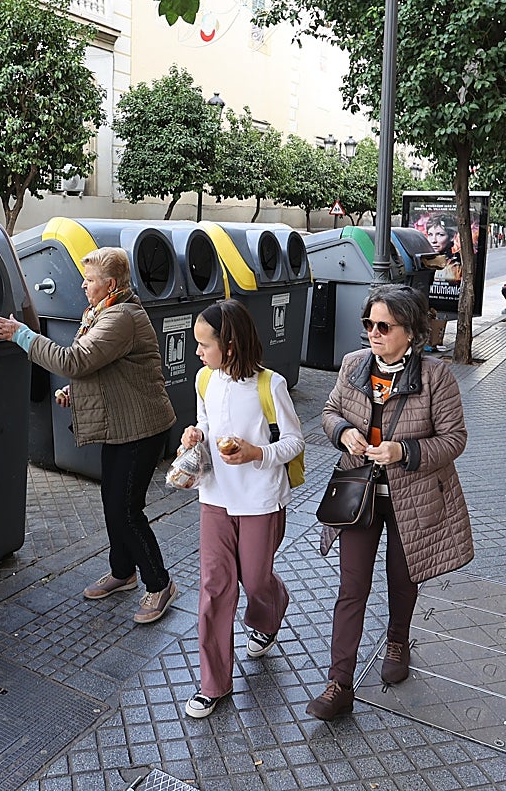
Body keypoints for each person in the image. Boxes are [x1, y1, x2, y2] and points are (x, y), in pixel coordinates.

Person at [0, 247, 179, 625]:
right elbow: (101, 366)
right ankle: (123, 573)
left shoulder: (122, 316)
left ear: (109, 283)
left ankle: (160, 583)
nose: (82, 284)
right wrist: (76, 391)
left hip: (142, 428)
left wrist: (22, 336)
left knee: (126, 509)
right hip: (122, 423)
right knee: (113, 503)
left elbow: (75, 360)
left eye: (89, 280)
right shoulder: (103, 309)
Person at [307, 284, 473, 721]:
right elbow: (328, 411)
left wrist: (406, 452)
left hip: (412, 499)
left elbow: (455, 439)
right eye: (369, 324)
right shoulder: (353, 365)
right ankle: (339, 682)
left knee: (403, 578)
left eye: (384, 326)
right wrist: (342, 432)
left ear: (412, 332)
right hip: (357, 496)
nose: (373, 333)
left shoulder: (436, 376)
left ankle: (398, 639)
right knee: (351, 588)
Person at [176, 299, 304, 718]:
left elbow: (294, 443)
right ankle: (213, 684)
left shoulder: (271, 385)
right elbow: (208, 423)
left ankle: (270, 610)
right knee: (215, 588)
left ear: (228, 345)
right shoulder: (204, 379)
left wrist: (256, 453)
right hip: (214, 495)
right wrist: (195, 435)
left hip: (260, 500)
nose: (198, 352)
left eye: (204, 344)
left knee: (255, 580)